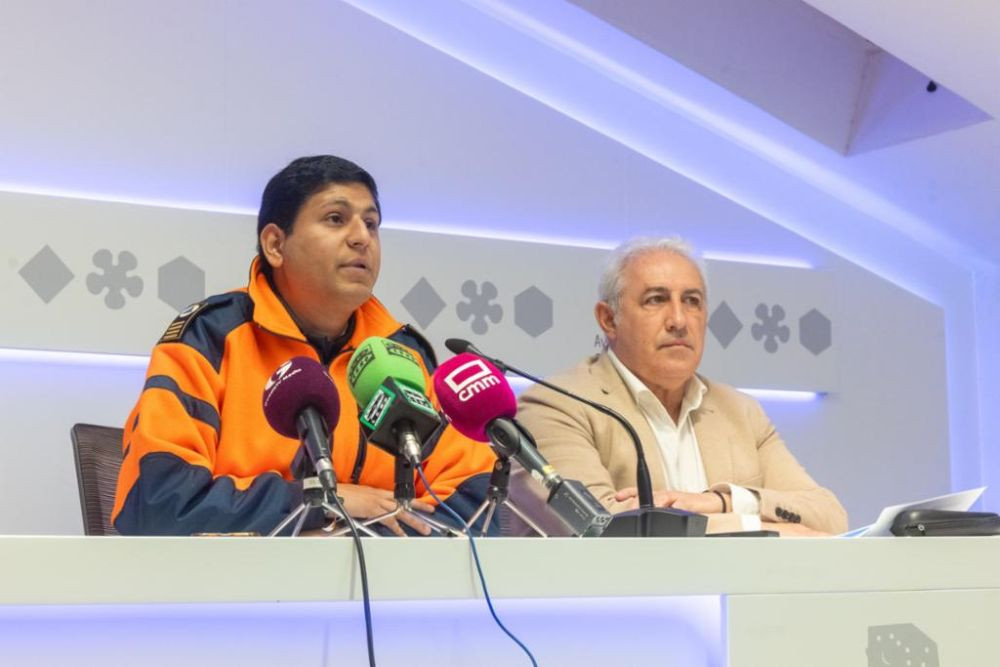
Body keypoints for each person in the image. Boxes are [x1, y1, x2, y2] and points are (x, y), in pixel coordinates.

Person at [112, 155, 496, 536]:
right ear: (276, 244)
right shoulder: (209, 339)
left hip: (383, 591)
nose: (362, 237)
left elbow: (476, 508)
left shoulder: (401, 356)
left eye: (371, 223)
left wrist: (342, 536)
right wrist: (319, 503)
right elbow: (155, 501)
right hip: (235, 590)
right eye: (335, 218)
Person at [512, 237, 847, 535]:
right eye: (656, 300)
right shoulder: (556, 404)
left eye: (692, 301)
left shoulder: (741, 412)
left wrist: (720, 502)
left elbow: (829, 516)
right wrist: (757, 527)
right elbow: (598, 527)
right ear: (609, 319)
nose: (679, 320)